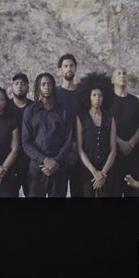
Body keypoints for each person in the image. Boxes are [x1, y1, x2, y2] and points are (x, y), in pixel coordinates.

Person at [21, 73, 74, 198]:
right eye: (43, 84)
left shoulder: (63, 110)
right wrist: (44, 160)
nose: (47, 87)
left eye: (49, 84)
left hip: (59, 167)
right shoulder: (30, 111)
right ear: (38, 87)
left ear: (54, 87)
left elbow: (69, 140)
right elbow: (25, 142)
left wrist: (56, 161)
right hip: (37, 168)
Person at [76, 72, 118, 197]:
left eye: (100, 95)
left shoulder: (110, 118)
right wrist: (94, 172)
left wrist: (102, 173)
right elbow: (80, 149)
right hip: (86, 169)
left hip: (107, 170)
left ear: (104, 97)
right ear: (88, 96)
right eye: (94, 95)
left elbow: (113, 150)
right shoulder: (81, 118)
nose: (97, 98)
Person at [110, 67, 139, 197]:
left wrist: (130, 143)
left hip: (134, 157)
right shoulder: (108, 101)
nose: (122, 75)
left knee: (134, 194)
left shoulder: (135, 101)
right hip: (114, 157)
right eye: (118, 74)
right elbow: (105, 125)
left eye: (124, 73)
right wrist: (120, 142)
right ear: (113, 80)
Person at [56, 53, 82, 197]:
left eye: (71, 65)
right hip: (59, 151)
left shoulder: (82, 93)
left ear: (75, 68)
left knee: (79, 192)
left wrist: (76, 146)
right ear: (60, 69)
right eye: (65, 66)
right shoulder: (55, 93)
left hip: (79, 151)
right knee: (59, 192)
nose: (68, 69)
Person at [11, 72, 34, 197]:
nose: (19, 86)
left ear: (28, 87)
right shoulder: (6, 107)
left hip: (30, 163)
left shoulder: (34, 107)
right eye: (16, 83)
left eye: (23, 84)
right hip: (10, 163)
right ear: (12, 86)